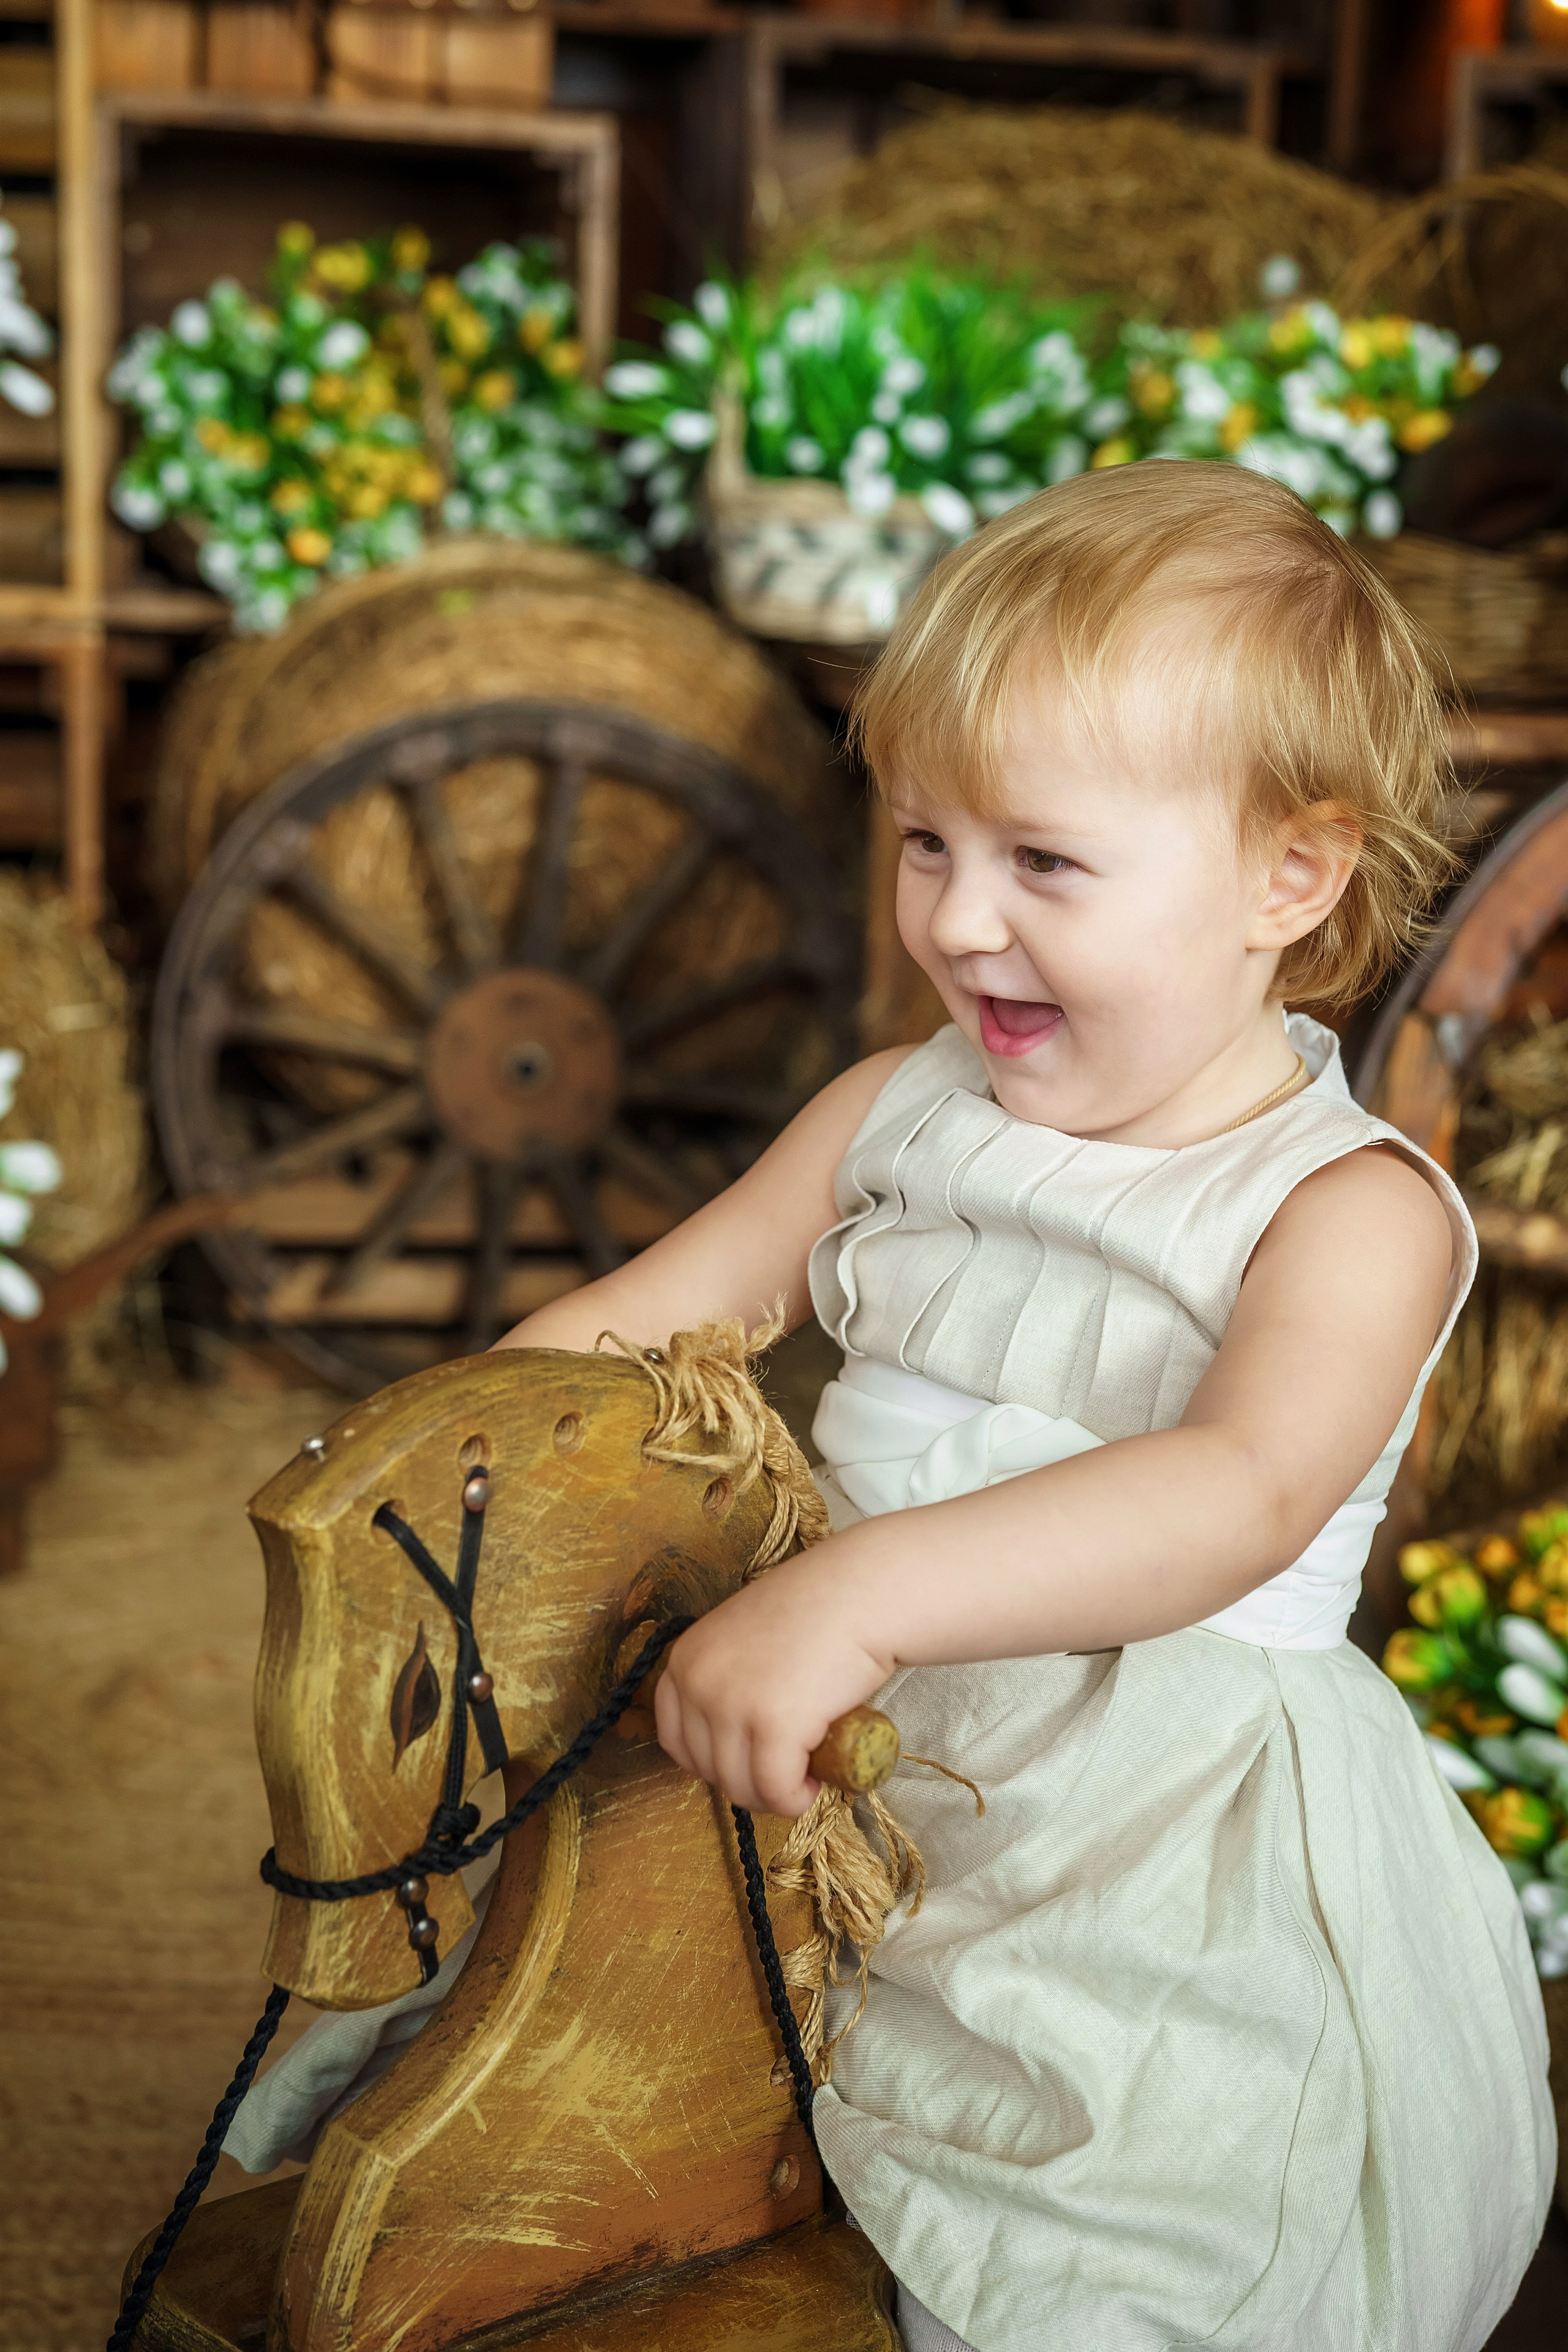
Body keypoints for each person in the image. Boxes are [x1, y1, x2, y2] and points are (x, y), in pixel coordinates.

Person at [490, 461, 1555, 2351]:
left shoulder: (1345, 1212)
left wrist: (856, 1589)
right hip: (857, 1798)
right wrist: (445, 1457)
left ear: (1288, 879)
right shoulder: (897, 1114)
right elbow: (645, 1328)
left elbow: (1230, 1492)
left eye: (1043, 864)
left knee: (1086, 2274)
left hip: (1153, 1881)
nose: (960, 922)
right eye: (925, 842)